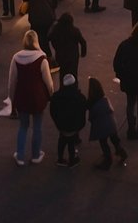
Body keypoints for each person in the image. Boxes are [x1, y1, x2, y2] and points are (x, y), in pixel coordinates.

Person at [9, 29, 54, 166]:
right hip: (37, 97)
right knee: (37, 126)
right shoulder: (42, 59)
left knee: (23, 126)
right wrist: (51, 95)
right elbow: (48, 82)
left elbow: (12, 82)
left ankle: (20, 155)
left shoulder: (16, 58)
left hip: (22, 96)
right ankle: (36, 155)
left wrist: (12, 101)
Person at [86, 76, 128, 170]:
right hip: (111, 124)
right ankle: (121, 152)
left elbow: (91, 115)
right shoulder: (104, 99)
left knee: (104, 143)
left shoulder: (91, 102)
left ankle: (108, 160)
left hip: (102, 127)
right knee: (115, 140)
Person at [50, 73, 87, 167]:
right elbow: (83, 110)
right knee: (71, 141)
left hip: (61, 125)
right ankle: (72, 159)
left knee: (62, 140)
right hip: (74, 126)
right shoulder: (80, 97)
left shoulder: (56, 97)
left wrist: (57, 122)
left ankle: (60, 158)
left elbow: (52, 111)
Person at [49, 12, 87, 80]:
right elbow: (83, 42)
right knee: (73, 73)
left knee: (63, 73)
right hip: (73, 56)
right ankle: (74, 87)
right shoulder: (74, 30)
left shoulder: (56, 30)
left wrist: (56, 48)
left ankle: (63, 87)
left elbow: (50, 38)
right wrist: (83, 53)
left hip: (61, 56)